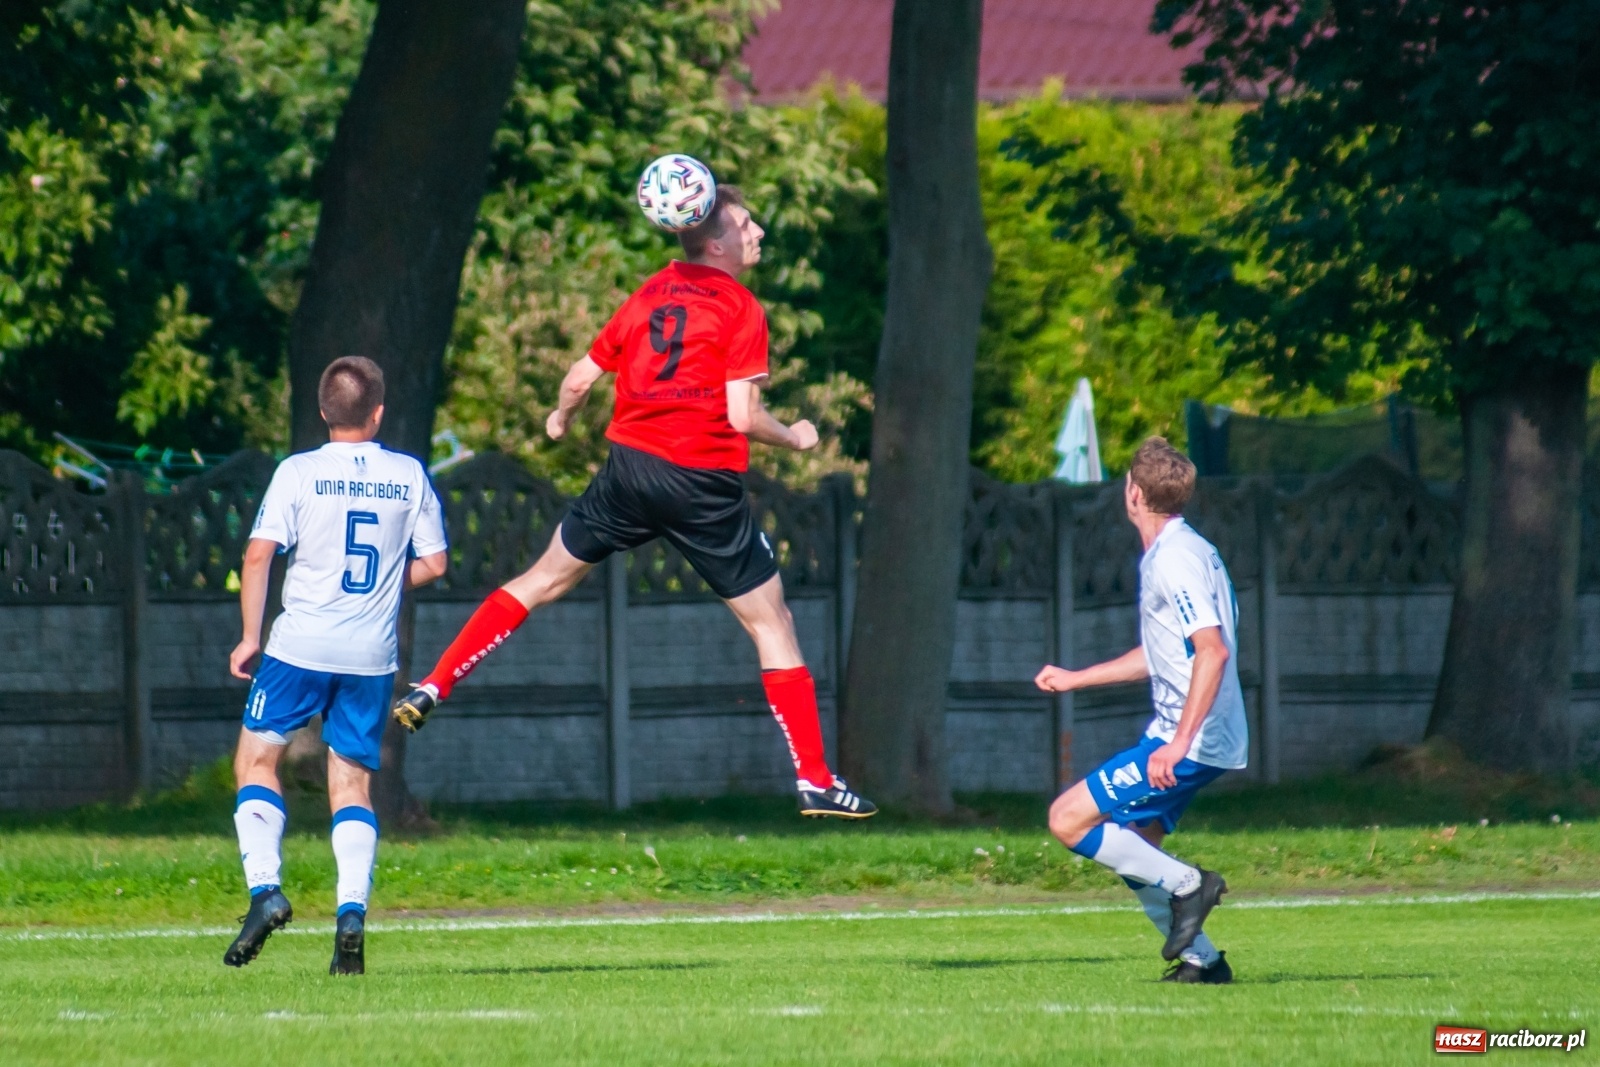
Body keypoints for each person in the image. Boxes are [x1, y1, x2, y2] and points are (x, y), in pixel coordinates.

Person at [391, 185, 875, 820]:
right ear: (715, 243)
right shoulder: (741, 308)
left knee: (541, 581)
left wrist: (560, 419)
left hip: (628, 474)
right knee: (771, 623)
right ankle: (814, 779)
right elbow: (742, 416)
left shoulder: (650, 293)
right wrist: (796, 437)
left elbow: (578, 378)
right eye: (745, 223)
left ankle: (435, 683)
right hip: (701, 485)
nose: (757, 231)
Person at [223, 356, 448, 975]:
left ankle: (266, 890)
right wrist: (380, 586)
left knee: (256, 762)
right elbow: (435, 563)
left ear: (324, 411)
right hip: (371, 656)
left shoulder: (298, 472)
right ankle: (351, 913)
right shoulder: (408, 474)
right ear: (379, 413)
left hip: (299, 646)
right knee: (351, 784)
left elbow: (258, 555)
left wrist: (249, 637)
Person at [1035, 437, 1246, 983]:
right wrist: (1077, 678)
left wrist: (1178, 745)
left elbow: (1212, 651)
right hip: (1190, 734)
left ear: (1132, 493)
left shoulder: (1174, 560)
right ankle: (1203, 962)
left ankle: (1191, 885)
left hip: (1191, 738)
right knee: (1133, 845)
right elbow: (1164, 653)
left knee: (1067, 819)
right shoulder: (1182, 550)